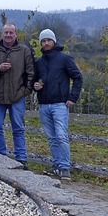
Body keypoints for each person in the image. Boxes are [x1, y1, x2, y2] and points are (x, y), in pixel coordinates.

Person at [33, 28, 83, 180]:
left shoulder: (65, 59)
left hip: (60, 104)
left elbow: (78, 77)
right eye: (43, 40)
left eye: (48, 40)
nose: (46, 43)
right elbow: (33, 81)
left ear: (54, 41)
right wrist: (35, 86)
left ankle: (65, 167)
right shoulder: (39, 62)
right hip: (44, 105)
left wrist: (73, 97)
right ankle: (56, 166)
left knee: (61, 136)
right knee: (51, 137)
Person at [0, 23, 35, 168]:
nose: (8, 35)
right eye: (6, 32)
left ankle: (21, 159)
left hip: (17, 96)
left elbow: (31, 72)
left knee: (18, 128)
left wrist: (26, 91)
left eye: (11, 33)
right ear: (2, 34)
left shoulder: (24, 50)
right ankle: (2, 157)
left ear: (16, 34)